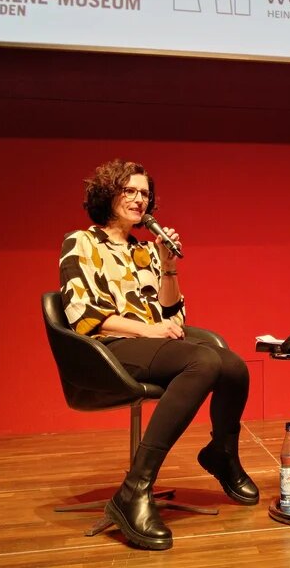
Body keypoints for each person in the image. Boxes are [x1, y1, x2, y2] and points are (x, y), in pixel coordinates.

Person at [59, 159, 257, 550]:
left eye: (145, 194)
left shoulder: (146, 249)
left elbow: (173, 315)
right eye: (129, 191)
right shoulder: (81, 242)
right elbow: (82, 314)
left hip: (153, 342)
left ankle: (222, 453)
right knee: (203, 361)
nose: (139, 200)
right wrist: (147, 329)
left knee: (233, 366)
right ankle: (134, 489)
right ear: (108, 194)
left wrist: (168, 266)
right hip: (106, 349)